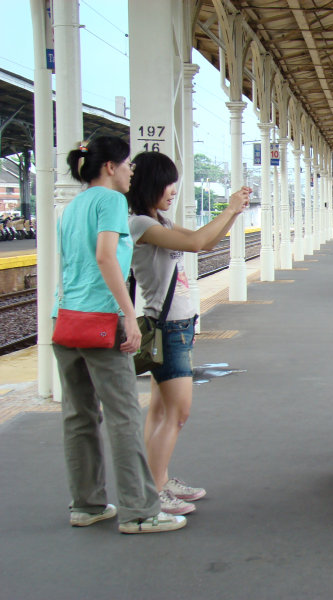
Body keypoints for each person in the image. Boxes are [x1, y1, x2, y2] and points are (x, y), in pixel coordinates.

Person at [53, 137, 186, 534]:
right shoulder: (109, 201)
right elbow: (105, 256)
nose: (131, 172)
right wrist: (128, 316)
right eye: (127, 165)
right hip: (100, 320)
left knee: (79, 417)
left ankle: (87, 505)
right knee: (124, 415)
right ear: (109, 167)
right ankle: (140, 511)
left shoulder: (72, 206)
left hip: (66, 320)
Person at [127, 151, 251, 516]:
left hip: (177, 326)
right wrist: (228, 209)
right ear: (150, 183)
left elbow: (205, 240)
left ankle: (158, 479)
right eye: (168, 183)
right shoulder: (140, 225)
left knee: (162, 410)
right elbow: (196, 244)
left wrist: (234, 213)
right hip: (167, 328)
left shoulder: (157, 221)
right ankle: (152, 491)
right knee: (178, 413)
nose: (173, 191)